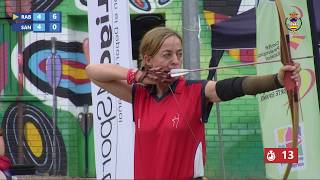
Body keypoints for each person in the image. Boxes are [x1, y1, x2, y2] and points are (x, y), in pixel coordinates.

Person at [84, 27, 301, 179]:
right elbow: (93, 72)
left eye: (178, 54)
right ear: (148, 60)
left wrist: (277, 80)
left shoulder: (197, 91)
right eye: (167, 55)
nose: (175, 61)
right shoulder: (139, 95)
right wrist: (137, 76)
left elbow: (236, 85)